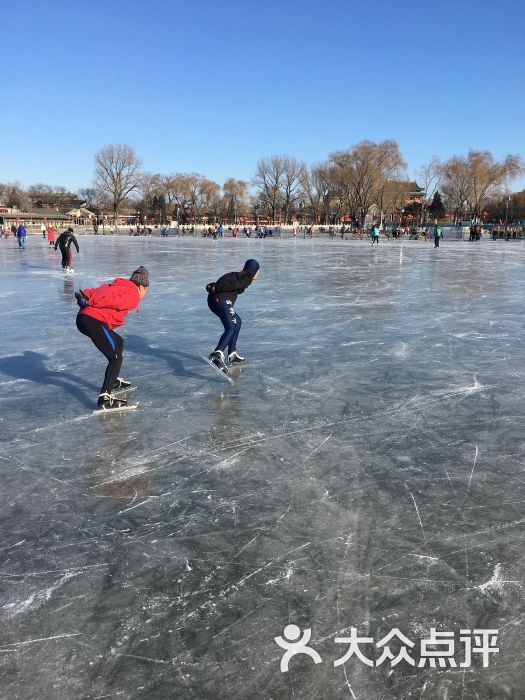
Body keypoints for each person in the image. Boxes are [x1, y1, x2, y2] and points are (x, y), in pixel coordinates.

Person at [75, 266, 149, 410]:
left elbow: (96, 292)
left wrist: (84, 295)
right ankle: (105, 397)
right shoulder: (132, 294)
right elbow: (108, 300)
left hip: (84, 319)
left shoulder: (116, 286)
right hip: (93, 320)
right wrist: (90, 302)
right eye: (146, 290)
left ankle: (112, 380)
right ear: (141, 287)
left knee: (118, 342)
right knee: (115, 358)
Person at [206, 259, 260, 373]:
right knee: (231, 326)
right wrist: (216, 288)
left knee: (237, 322)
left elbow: (227, 284)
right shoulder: (247, 277)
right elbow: (229, 285)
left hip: (215, 301)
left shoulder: (239, 275)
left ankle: (232, 354)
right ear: (254, 270)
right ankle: (217, 353)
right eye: (258, 271)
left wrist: (211, 287)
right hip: (220, 300)